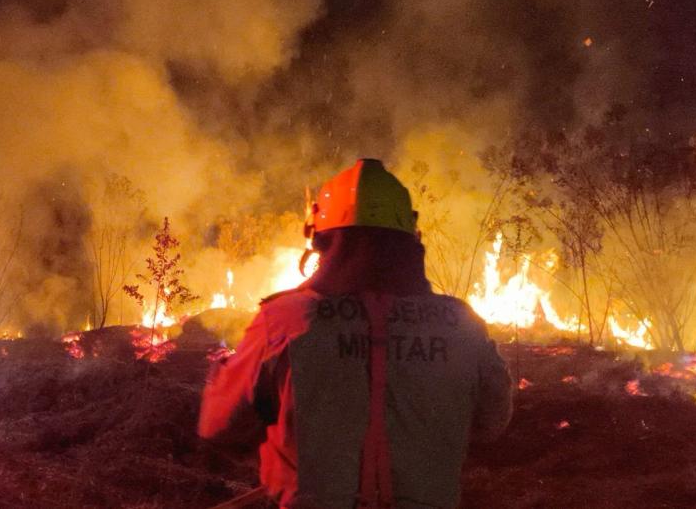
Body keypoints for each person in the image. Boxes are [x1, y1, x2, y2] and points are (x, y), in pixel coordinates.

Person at [199, 159, 513, 509]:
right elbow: (492, 423)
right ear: (411, 240)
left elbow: (219, 425)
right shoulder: (461, 324)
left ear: (321, 239)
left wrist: (224, 376)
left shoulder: (283, 319)